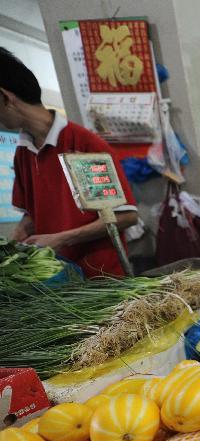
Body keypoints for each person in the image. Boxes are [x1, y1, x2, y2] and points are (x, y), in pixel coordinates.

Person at [0, 47, 138, 277]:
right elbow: (32, 215)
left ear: (5, 97)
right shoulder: (23, 153)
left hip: (102, 280)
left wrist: (61, 239)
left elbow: (125, 216)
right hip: (59, 281)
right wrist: (14, 242)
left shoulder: (83, 144)